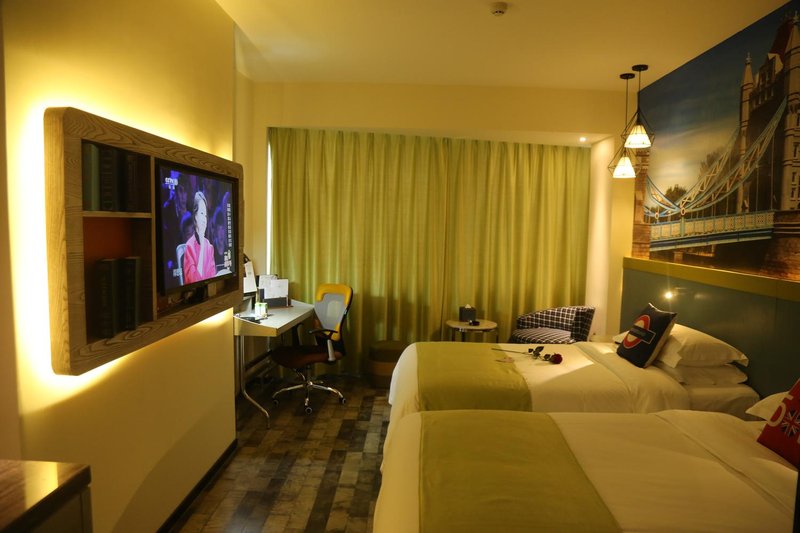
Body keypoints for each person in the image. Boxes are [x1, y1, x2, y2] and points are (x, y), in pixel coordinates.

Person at [182, 191, 216, 284]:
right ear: (195, 216)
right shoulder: (189, 247)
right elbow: (194, 281)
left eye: (205, 215)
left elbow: (212, 279)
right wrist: (201, 247)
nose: (204, 220)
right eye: (201, 213)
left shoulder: (209, 247)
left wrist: (203, 244)